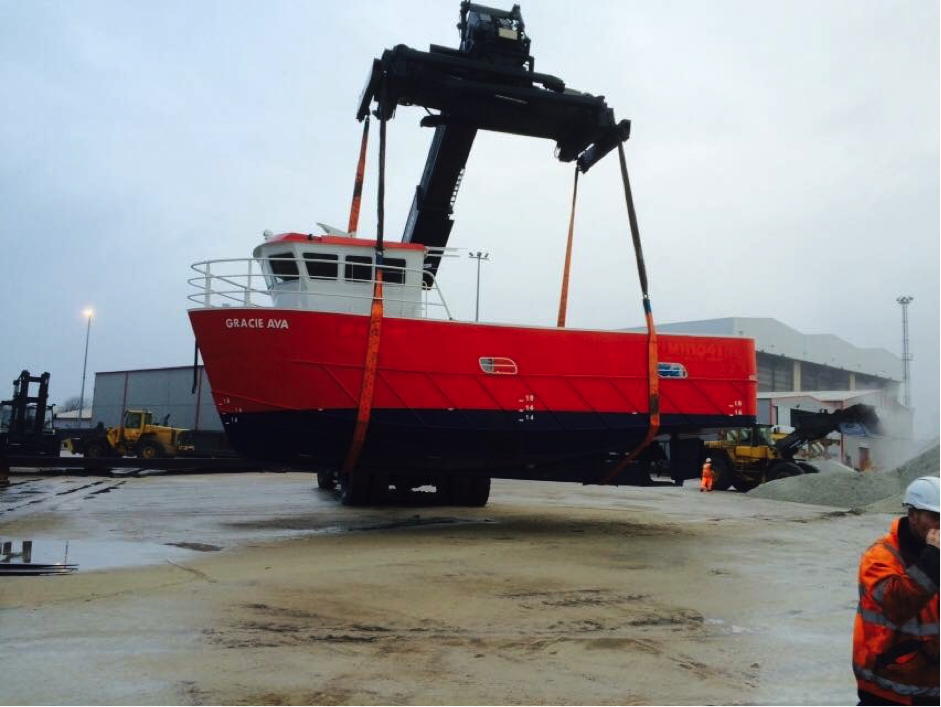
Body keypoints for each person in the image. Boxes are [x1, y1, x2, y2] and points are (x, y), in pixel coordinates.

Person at [853, 475, 940, 707]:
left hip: (932, 685)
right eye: (935, 517)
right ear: (912, 515)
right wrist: (933, 558)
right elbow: (898, 603)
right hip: (889, 688)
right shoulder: (879, 557)